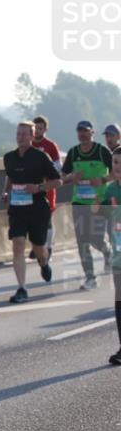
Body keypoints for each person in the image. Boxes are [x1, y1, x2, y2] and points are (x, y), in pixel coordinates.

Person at [1, 121, 60, 303]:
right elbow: (10, 176)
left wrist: (39, 187)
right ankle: (22, 288)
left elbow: (58, 181)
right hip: (17, 209)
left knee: (39, 247)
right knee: (18, 245)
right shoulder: (9, 157)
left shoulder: (40, 157)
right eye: (18, 134)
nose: (21, 137)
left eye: (25, 134)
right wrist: (4, 191)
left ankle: (44, 262)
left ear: (32, 136)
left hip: (37, 209)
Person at [61, 120, 113, 289]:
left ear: (92, 133)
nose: (82, 134)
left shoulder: (101, 151)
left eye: (85, 131)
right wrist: (71, 178)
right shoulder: (73, 152)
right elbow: (62, 177)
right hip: (79, 203)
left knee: (95, 239)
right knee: (82, 240)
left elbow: (117, 172)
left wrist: (103, 179)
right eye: (79, 131)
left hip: (99, 203)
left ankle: (106, 251)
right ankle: (90, 277)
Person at [92, 146, 121, 365]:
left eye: (120, 163)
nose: (117, 167)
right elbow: (100, 212)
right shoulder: (111, 189)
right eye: (115, 163)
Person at [30, 115, 62, 259]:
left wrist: (44, 170)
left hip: (47, 186)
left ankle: (48, 246)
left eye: (40, 128)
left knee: (47, 218)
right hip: (31, 187)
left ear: (45, 129)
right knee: (32, 219)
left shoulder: (50, 145)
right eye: (35, 128)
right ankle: (36, 246)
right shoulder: (28, 144)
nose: (37, 131)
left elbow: (58, 166)